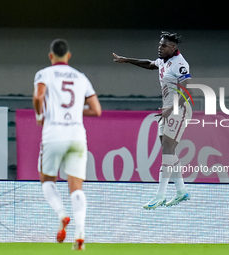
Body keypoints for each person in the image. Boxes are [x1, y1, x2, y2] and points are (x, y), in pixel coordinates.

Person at [33, 39, 101, 250]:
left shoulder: (44, 73)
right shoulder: (81, 77)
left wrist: (39, 114)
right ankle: (80, 234)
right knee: (76, 187)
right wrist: (73, 112)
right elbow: (97, 110)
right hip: (77, 135)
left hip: (54, 133)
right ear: (69, 56)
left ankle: (62, 215)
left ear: (51, 56)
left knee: (46, 180)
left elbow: (39, 95)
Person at [113, 31, 192, 210]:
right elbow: (150, 64)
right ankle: (181, 191)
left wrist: (172, 108)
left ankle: (160, 195)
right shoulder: (164, 61)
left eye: (164, 45)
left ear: (174, 48)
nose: (160, 47)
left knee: (167, 149)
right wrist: (127, 60)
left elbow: (188, 91)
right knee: (166, 146)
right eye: (159, 44)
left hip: (179, 109)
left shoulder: (180, 64)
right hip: (167, 109)